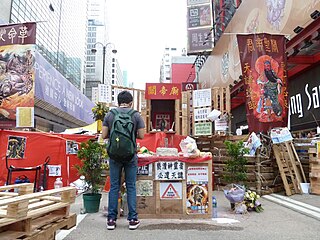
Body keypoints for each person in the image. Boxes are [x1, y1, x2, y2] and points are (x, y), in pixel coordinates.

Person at [102, 90, 145, 230]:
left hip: (114, 155)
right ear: (131, 102)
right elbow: (142, 135)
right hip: (130, 155)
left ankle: (111, 220)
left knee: (114, 187)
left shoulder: (110, 114)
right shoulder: (136, 115)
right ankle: (132, 219)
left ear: (118, 102)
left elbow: (104, 135)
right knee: (131, 186)